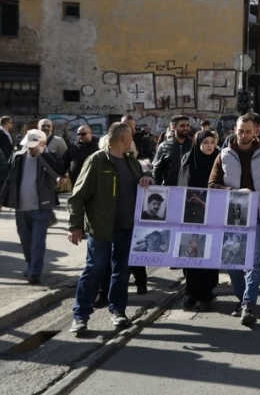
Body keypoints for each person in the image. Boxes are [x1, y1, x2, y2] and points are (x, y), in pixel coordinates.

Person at [67, 122, 153, 335]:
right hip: (101, 228)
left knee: (121, 273)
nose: (133, 140)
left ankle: (118, 311)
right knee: (94, 270)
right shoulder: (97, 160)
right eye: (131, 136)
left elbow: (143, 186)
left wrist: (147, 179)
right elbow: (77, 196)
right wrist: (75, 225)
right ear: (123, 138)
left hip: (127, 228)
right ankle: (80, 315)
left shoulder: (131, 162)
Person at [208, 114, 260, 327]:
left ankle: (248, 304)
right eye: (241, 131)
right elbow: (211, 185)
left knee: (254, 263)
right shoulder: (224, 155)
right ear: (235, 130)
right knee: (232, 262)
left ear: (254, 131)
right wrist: (233, 191)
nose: (244, 135)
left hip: (257, 215)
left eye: (248, 131)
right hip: (233, 216)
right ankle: (242, 299)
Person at [0, 129, 63, 284]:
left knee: (37, 242)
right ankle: (30, 265)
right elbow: (9, 179)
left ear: (43, 143)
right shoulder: (18, 157)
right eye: (28, 145)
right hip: (21, 207)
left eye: (34, 146)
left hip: (42, 207)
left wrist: (43, 155)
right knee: (26, 241)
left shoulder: (51, 157)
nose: (30, 148)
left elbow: (57, 172)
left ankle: (35, 271)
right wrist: (1, 200)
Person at [177, 130, 220, 310]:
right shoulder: (188, 161)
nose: (209, 146)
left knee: (209, 253)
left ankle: (206, 294)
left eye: (212, 142)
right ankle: (191, 292)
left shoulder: (220, 160)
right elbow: (181, 186)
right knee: (191, 252)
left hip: (213, 216)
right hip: (191, 217)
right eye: (205, 142)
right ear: (198, 144)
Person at [152, 115, 193, 188]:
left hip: (190, 189)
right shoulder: (163, 146)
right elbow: (156, 169)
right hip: (170, 189)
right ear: (174, 127)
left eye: (187, 125)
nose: (186, 128)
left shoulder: (194, 145)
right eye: (182, 126)